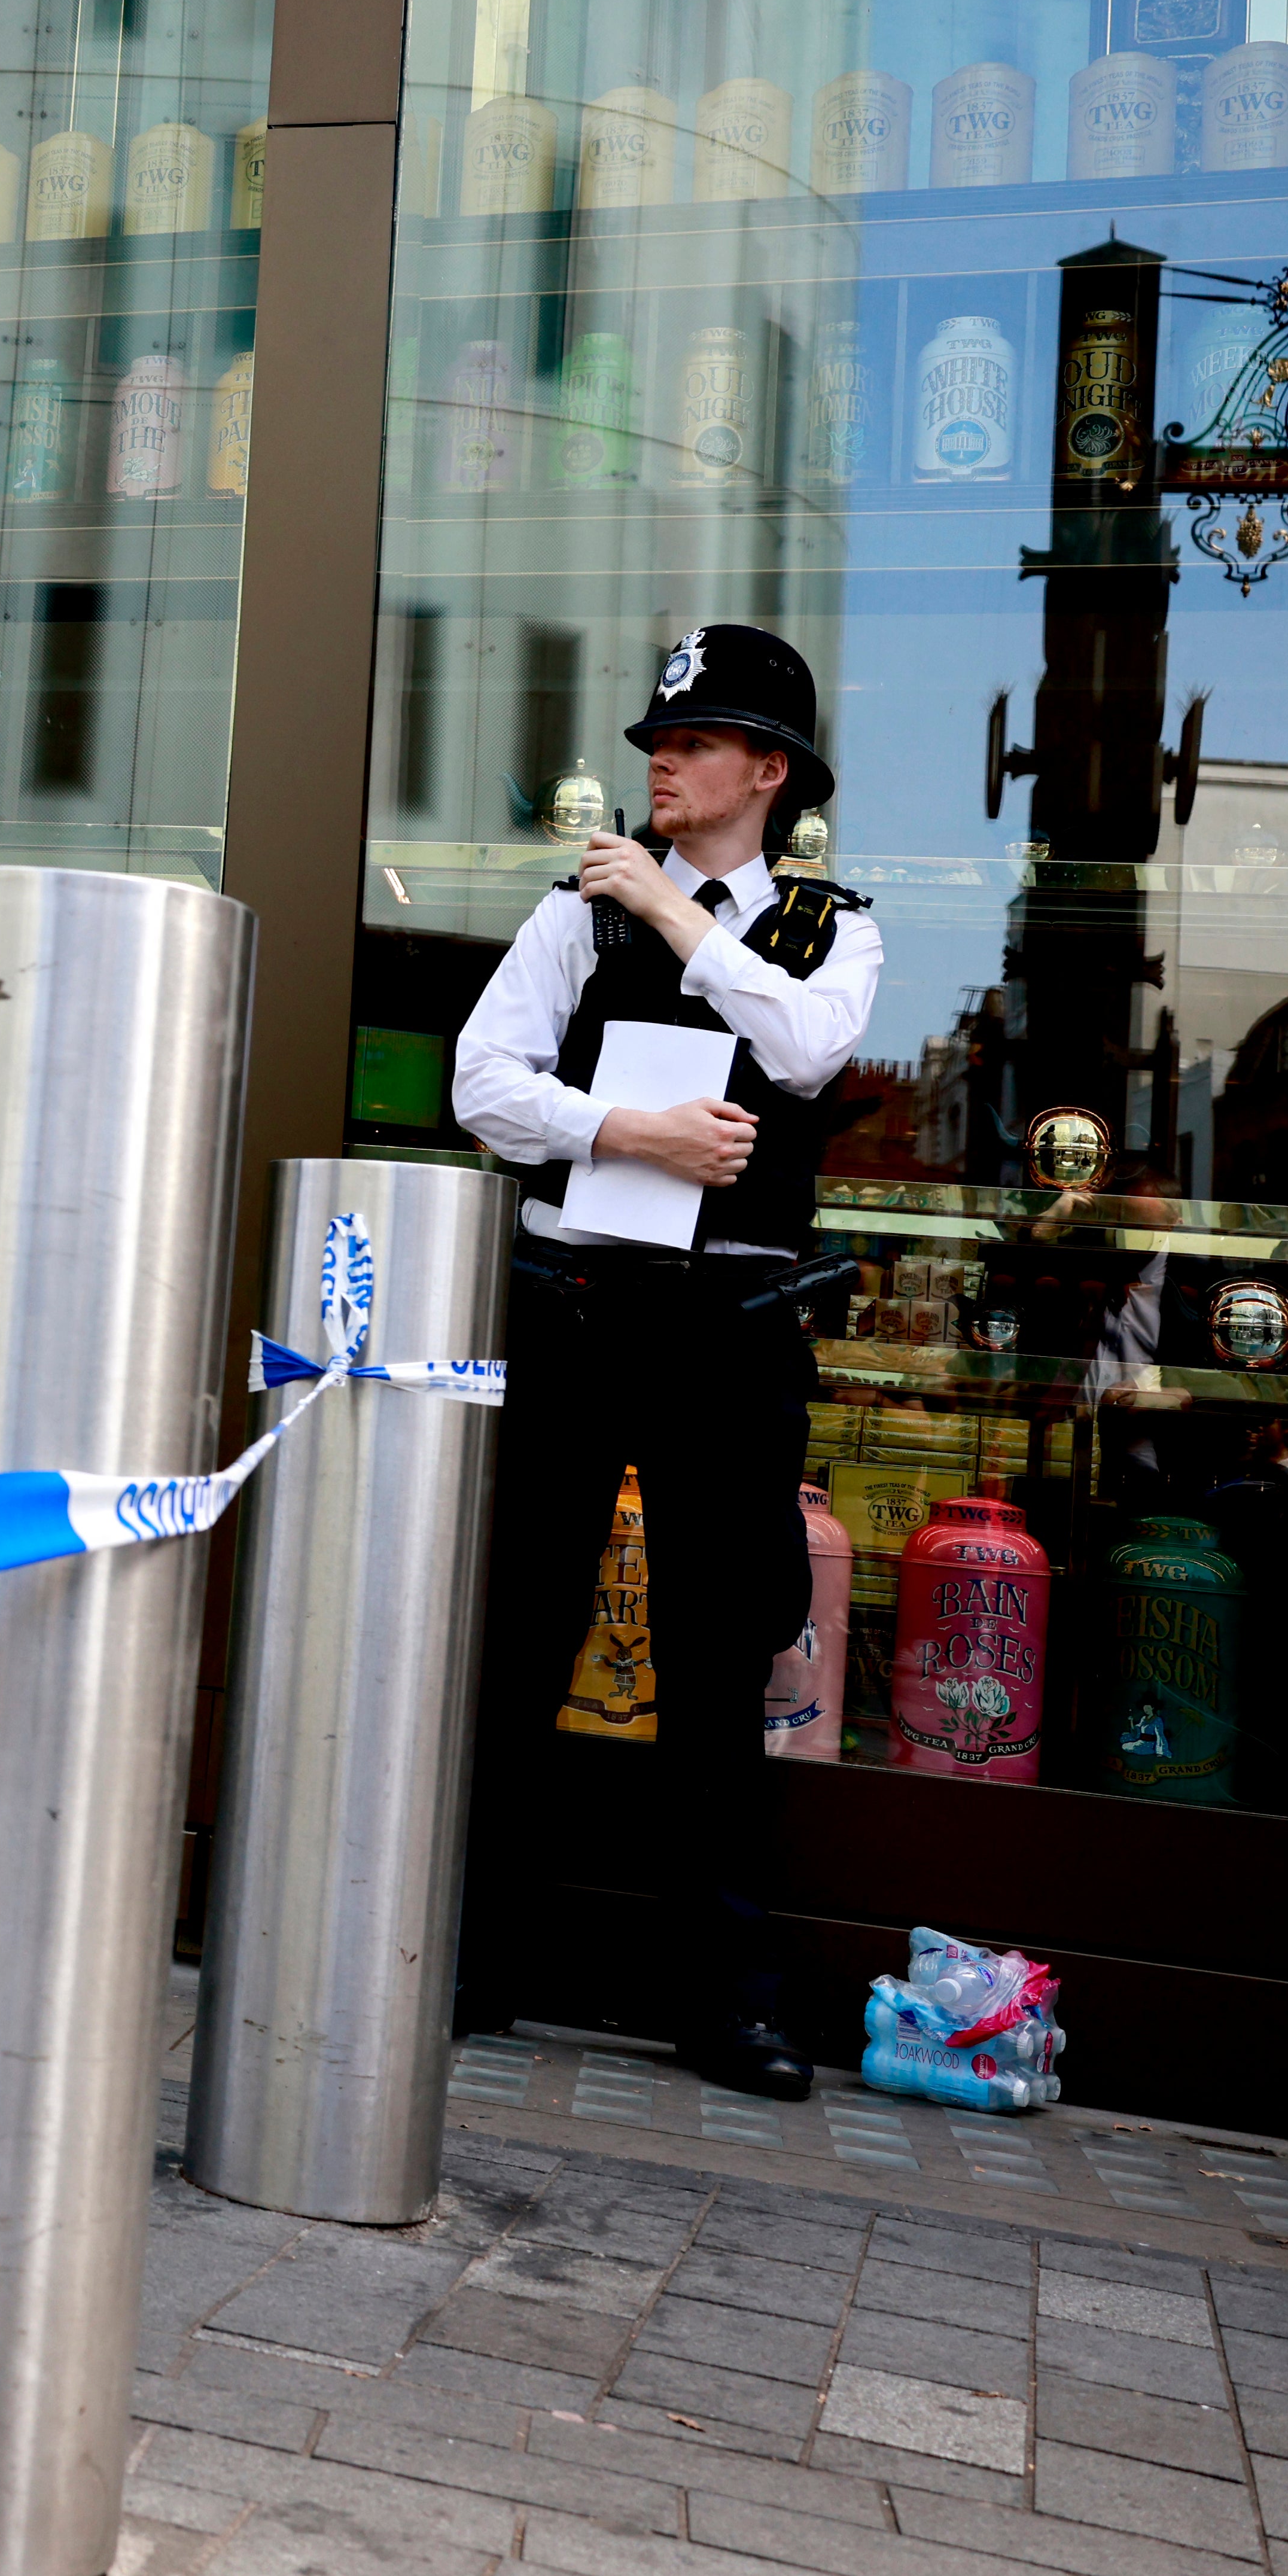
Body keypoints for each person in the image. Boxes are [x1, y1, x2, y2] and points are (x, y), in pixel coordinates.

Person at [450, 622, 883, 2102]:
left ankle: (725, 1997)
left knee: (716, 1665)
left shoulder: (829, 930)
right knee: (517, 1637)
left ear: (766, 770)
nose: (661, 765)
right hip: (575, 1311)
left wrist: (683, 916)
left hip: (731, 1339)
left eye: (690, 744)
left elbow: (813, 1050)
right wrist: (622, 1130)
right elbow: (480, 1084)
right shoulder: (576, 914)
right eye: (653, 745)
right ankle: (466, 1955)